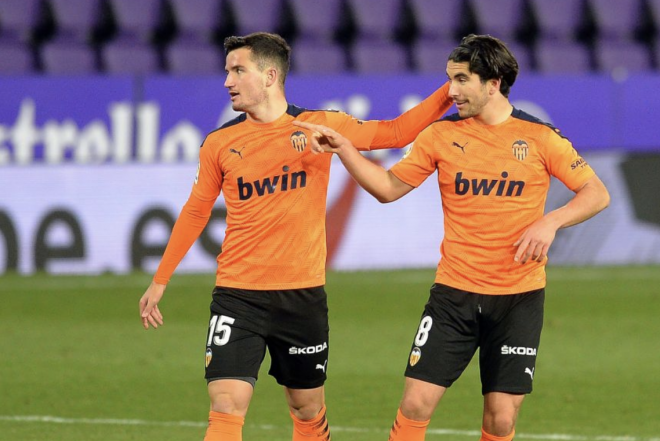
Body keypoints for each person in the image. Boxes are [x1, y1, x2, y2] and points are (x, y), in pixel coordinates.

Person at [293, 34, 610, 441]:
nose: (451, 91)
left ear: (492, 83)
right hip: (453, 296)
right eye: (449, 78)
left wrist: (550, 222)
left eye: (461, 79)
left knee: (501, 418)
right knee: (415, 404)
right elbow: (388, 188)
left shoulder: (540, 137)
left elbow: (596, 193)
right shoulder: (439, 136)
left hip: (518, 299)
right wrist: (345, 149)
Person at [138, 32, 453, 441]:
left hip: (302, 296)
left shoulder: (320, 127)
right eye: (227, 71)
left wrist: (452, 87)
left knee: (306, 407)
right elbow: (196, 210)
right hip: (238, 294)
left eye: (238, 70)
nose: (227, 81)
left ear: (270, 76)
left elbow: (394, 132)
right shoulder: (220, 143)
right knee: (226, 404)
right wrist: (160, 279)